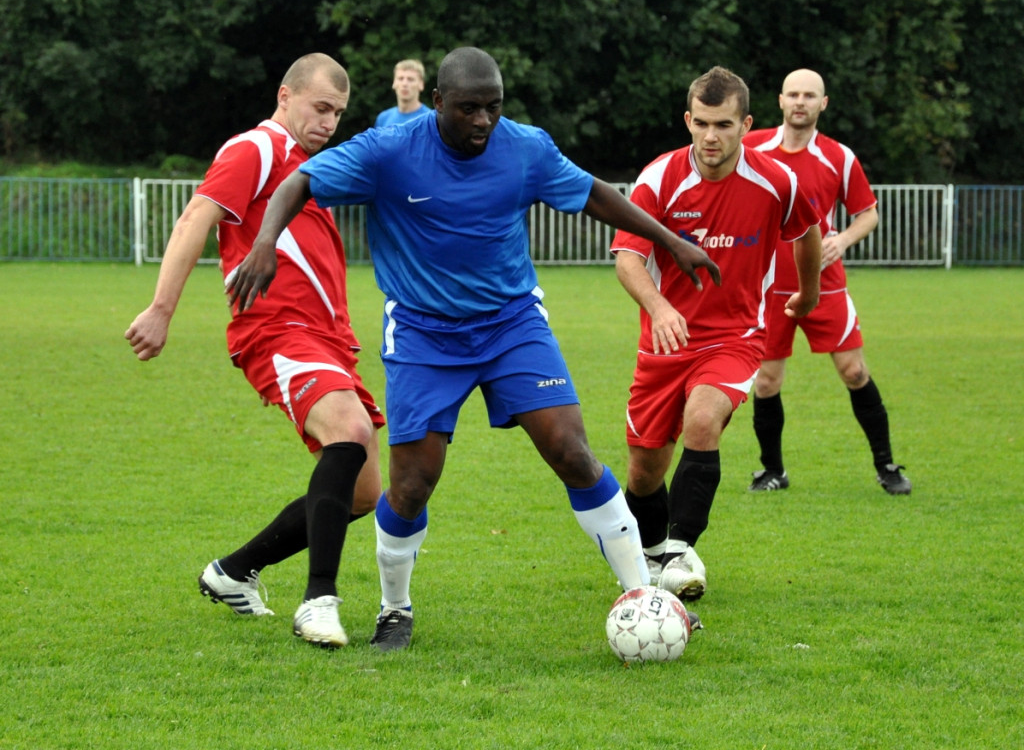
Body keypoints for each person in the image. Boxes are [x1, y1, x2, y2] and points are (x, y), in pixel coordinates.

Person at [226, 46, 721, 652]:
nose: (483, 121)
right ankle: (395, 608)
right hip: (422, 334)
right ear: (438, 104)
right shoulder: (390, 150)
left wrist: (671, 241)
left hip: (512, 325)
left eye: (493, 107)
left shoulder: (525, 147)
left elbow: (593, 193)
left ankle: (644, 592)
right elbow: (301, 179)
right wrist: (265, 242)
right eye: (468, 109)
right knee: (411, 485)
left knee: (571, 450)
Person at [124, 53, 385, 648]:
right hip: (275, 330)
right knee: (348, 431)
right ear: (285, 96)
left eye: (338, 113)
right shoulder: (256, 148)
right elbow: (197, 215)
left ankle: (232, 572)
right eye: (320, 107)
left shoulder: (308, 166)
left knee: (365, 490)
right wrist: (162, 309)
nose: (329, 122)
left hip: (327, 341)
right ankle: (319, 600)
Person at [611, 66, 822, 601]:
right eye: (701, 123)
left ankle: (680, 550)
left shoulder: (777, 180)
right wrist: (659, 308)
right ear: (687, 120)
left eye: (724, 125)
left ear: (746, 123)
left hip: (735, 336)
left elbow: (807, 231)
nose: (711, 136)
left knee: (703, 420)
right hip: (663, 344)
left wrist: (811, 293)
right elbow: (628, 258)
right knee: (643, 472)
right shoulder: (658, 179)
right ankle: (657, 556)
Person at [743, 69, 911, 495]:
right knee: (766, 382)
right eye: (793, 94)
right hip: (767, 288)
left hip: (825, 286)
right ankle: (772, 472)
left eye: (810, 96)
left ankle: (887, 467)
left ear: (824, 103)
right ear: (780, 100)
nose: (801, 102)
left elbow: (867, 212)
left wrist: (844, 239)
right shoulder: (749, 148)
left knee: (854, 371)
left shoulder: (839, 156)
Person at [374, 58, 432, 128]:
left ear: (421, 84)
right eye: (400, 78)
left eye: (410, 79)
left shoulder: (430, 120)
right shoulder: (383, 119)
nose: (404, 84)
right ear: (394, 83)